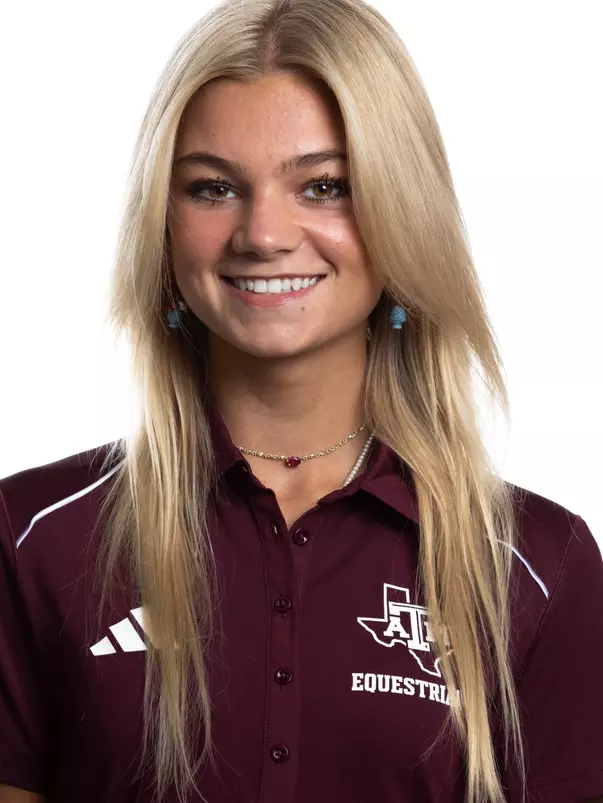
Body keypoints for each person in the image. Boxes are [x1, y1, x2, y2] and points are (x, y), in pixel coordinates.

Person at [1, 1, 602, 802]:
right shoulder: (33, 539)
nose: (262, 234)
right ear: (163, 225)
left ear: (404, 214)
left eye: (323, 186)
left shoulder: (535, 564)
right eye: (213, 187)